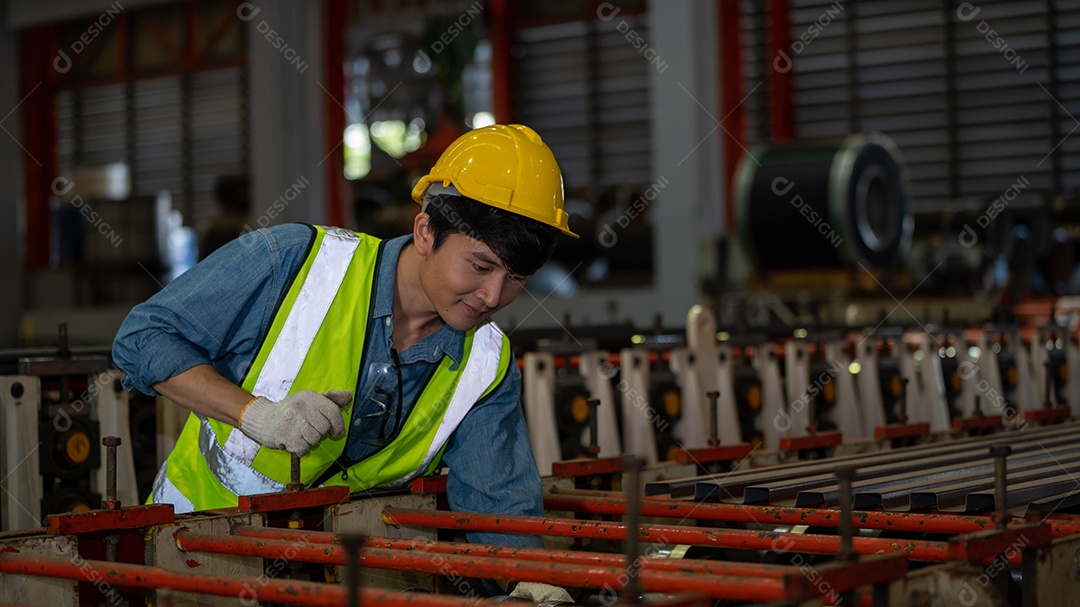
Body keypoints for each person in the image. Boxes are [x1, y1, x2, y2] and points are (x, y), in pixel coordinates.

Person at [112, 124, 576, 603]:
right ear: (425, 231)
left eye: (516, 279)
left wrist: (532, 579)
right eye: (480, 267)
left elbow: (495, 500)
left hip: (340, 582)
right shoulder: (296, 263)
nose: (493, 296)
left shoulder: (488, 363)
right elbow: (143, 336)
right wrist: (255, 413)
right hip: (197, 561)